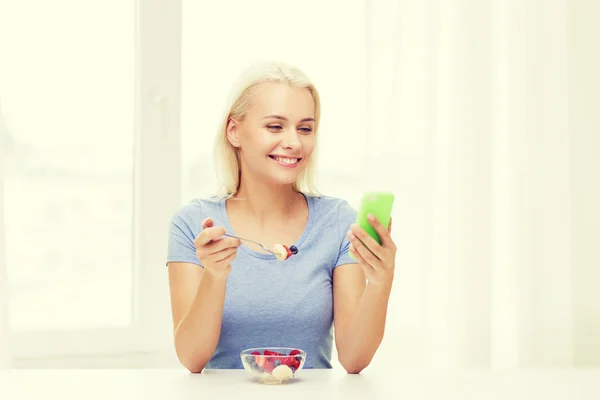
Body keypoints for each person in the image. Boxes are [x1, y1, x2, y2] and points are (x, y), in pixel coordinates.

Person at [166, 61, 397, 374]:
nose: (294, 142)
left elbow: (354, 359)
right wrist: (215, 275)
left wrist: (380, 281)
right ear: (234, 130)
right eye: (275, 126)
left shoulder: (337, 221)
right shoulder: (193, 223)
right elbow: (192, 358)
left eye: (305, 128)